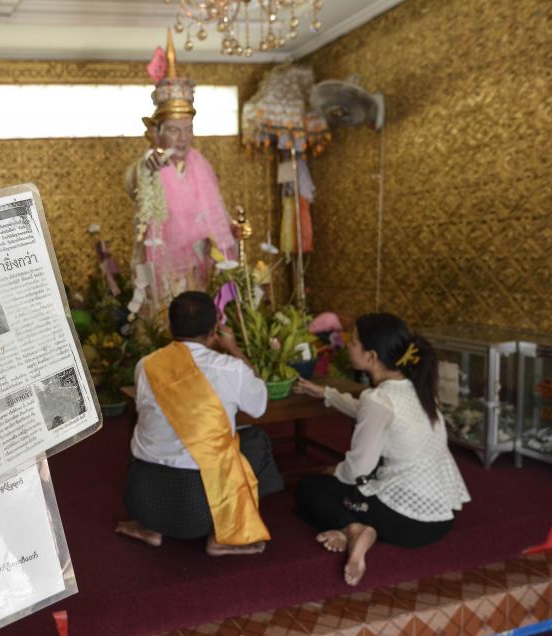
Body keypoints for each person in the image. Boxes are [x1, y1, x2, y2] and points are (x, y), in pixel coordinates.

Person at [293, 313, 471, 586]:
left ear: (371, 356)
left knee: (311, 489)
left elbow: (358, 469)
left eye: (354, 342)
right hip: (442, 516)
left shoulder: (379, 399)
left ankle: (354, 528)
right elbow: (371, 411)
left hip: (410, 524)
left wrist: (335, 472)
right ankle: (352, 527)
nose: (348, 346)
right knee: (370, 471)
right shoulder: (416, 387)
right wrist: (326, 394)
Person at [116, 291, 282, 556]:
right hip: (200, 510)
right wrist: (234, 349)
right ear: (215, 328)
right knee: (255, 440)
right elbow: (259, 405)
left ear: (170, 327)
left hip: (140, 498)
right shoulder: (230, 367)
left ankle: (151, 529)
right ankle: (224, 535)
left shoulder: (146, 365)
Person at [125, 32, 237, 311]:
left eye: (188, 130)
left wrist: (226, 230)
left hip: (200, 256)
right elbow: (135, 180)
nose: (183, 139)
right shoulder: (151, 161)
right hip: (164, 255)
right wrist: (149, 166)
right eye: (174, 131)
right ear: (157, 134)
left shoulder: (199, 162)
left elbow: (213, 211)